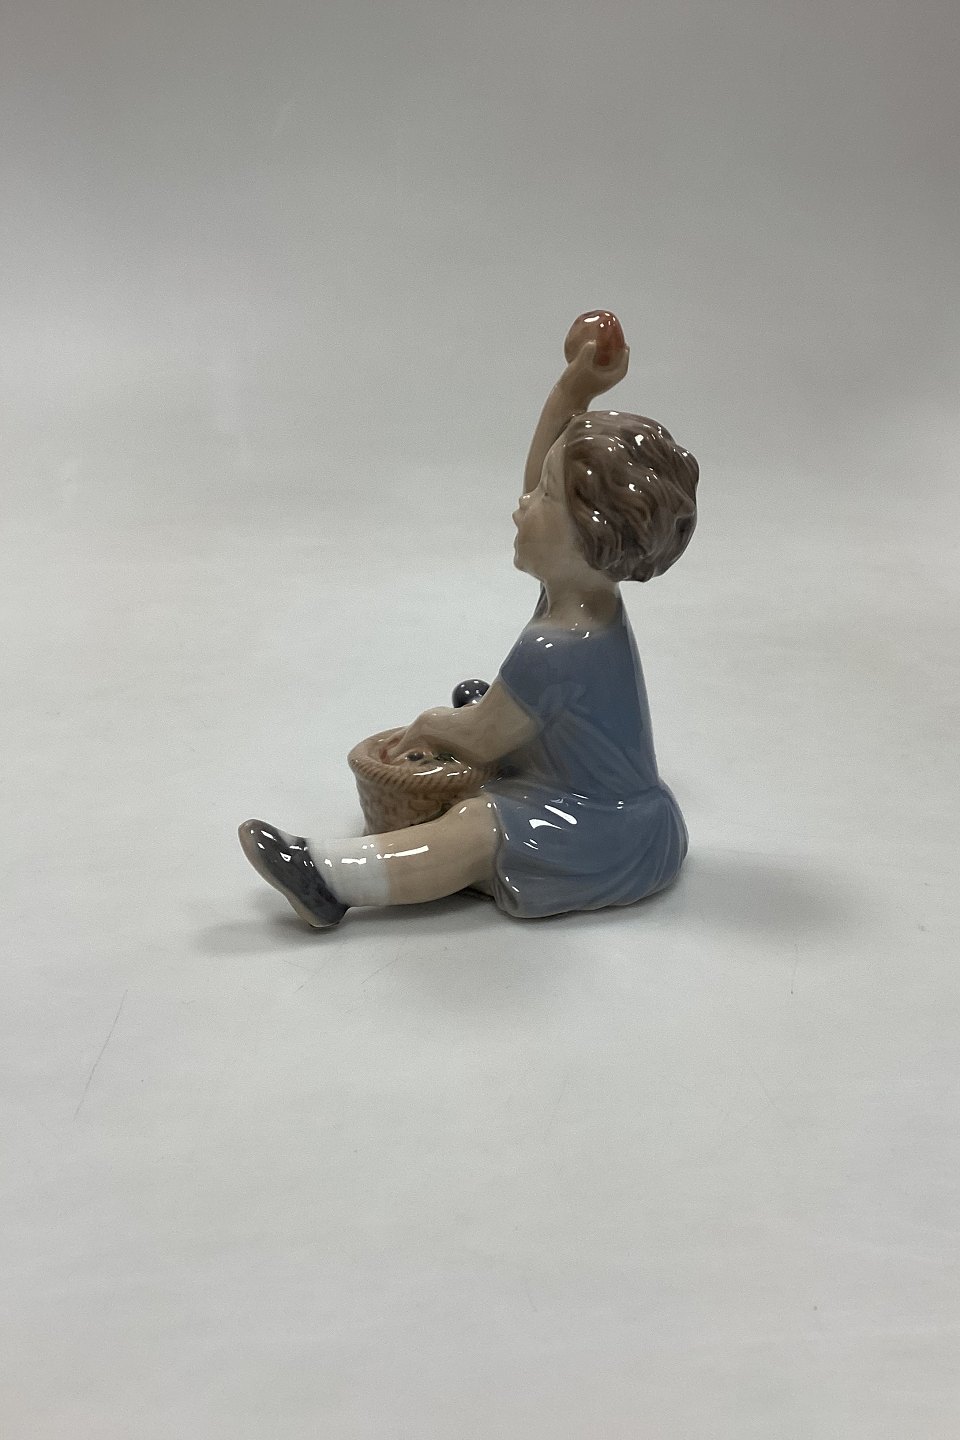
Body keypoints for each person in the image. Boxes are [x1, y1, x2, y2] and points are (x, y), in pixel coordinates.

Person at [238, 324, 699, 928]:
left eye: (545, 498)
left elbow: (480, 740)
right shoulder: (585, 595)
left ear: (586, 538)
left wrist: (433, 725)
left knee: (478, 828)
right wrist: (574, 389)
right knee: (489, 727)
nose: (524, 502)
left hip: (603, 830)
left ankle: (327, 878)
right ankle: (522, 739)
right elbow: (540, 476)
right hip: (626, 813)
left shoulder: (557, 643)